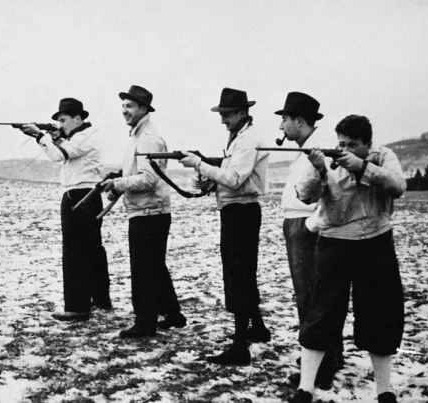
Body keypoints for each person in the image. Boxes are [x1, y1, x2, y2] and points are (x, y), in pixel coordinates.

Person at [291, 115, 405, 403]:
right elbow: (305, 195)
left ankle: (384, 390)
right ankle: (305, 388)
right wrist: (318, 168)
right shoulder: (331, 162)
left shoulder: (383, 156)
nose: (344, 150)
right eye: (341, 144)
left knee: (381, 315)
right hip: (335, 244)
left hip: (376, 242)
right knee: (321, 314)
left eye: (353, 145)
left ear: (368, 144)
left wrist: (363, 167)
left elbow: (398, 186)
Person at [180, 88, 270, 365]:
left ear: (243, 112)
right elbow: (229, 175)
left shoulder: (247, 140)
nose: (223, 119)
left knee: (237, 275)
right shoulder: (240, 137)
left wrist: (200, 164)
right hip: (237, 210)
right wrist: (205, 172)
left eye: (227, 114)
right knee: (242, 272)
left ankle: (240, 346)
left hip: (241, 211)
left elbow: (233, 179)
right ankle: (257, 328)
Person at [101, 85, 186, 338]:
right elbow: (138, 174)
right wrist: (119, 183)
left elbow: (148, 179)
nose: (124, 111)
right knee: (154, 266)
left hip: (150, 212)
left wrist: (119, 184)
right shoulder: (139, 135)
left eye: (129, 106)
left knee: (143, 270)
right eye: (123, 106)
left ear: (143, 108)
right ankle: (173, 314)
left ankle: (145, 323)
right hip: (147, 210)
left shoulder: (148, 137)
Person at [274, 92, 344, 389]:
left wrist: (309, 225)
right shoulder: (307, 148)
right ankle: (329, 355)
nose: (281, 126)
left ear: (299, 121)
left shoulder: (317, 150)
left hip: (306, 227)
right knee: (316, 296)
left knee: (311, 297)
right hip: (301, 224)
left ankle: (322, 365)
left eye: (285, 120)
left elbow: (327, 191)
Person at [19, 98, 111, 322]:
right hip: (87, 195)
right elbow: (65, 151)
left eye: (63, 120)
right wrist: (56, 138)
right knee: (91, 249)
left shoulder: (83, 137)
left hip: (79, 195)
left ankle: (77, 306)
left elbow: (58, 156)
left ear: (78, 119)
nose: (60, 125)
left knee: (75, 251)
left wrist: (39, 136)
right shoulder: (81, 137)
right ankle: (99, 299)